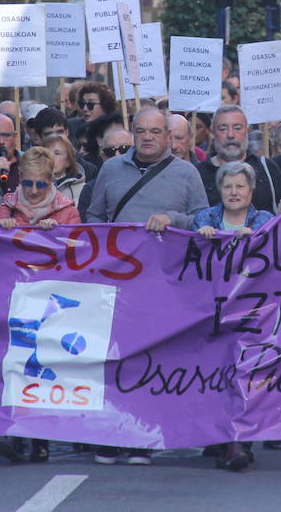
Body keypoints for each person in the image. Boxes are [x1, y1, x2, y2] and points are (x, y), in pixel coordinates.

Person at [81, 107, 206, 465]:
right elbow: (95, 216)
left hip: (164, 282)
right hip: (118, 280)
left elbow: (204, 220)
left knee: (149, 360)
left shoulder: (187, 174)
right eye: (141, 131)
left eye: (155, 131)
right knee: (112, 356)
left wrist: (173, 219)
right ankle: (109, 434)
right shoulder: (110, 170)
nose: (148, 137)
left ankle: (141, 436)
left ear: (168, 136)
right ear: (133, 134)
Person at [191, 160, 274, 473]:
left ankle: (237, 443)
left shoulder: (264, 219)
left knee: (244, 376)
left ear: (251, 191)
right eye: (228, 186)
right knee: (217, 376)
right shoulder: (205, 218)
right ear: (219, 190)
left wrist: (258, 238)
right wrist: (200, 237)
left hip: (253, 312)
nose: (234, 192)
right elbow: (187, 257)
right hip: (212, 311)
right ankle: (226, 442)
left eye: (240, 186)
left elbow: (279, 254)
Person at [195, 106, 281, 212]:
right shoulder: (197, 174)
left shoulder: (267, 168)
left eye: (237, 128)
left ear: (247, 130)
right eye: (223, 129)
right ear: (213, 132)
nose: (230, 135)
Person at [0, 146, 81, 231]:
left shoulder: (68, 212)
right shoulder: (6, 209)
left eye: (40, 184)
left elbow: (75, 240)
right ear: (20, 177)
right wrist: (0, 229)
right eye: (28, 183)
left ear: (51, 180)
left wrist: (57, 231)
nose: (34, 191)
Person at [46, 135, 87, 204]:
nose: (50, 157)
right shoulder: (33, 186)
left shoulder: (82, 190)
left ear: (68, 161)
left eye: (57, 153)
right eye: (47, 153)